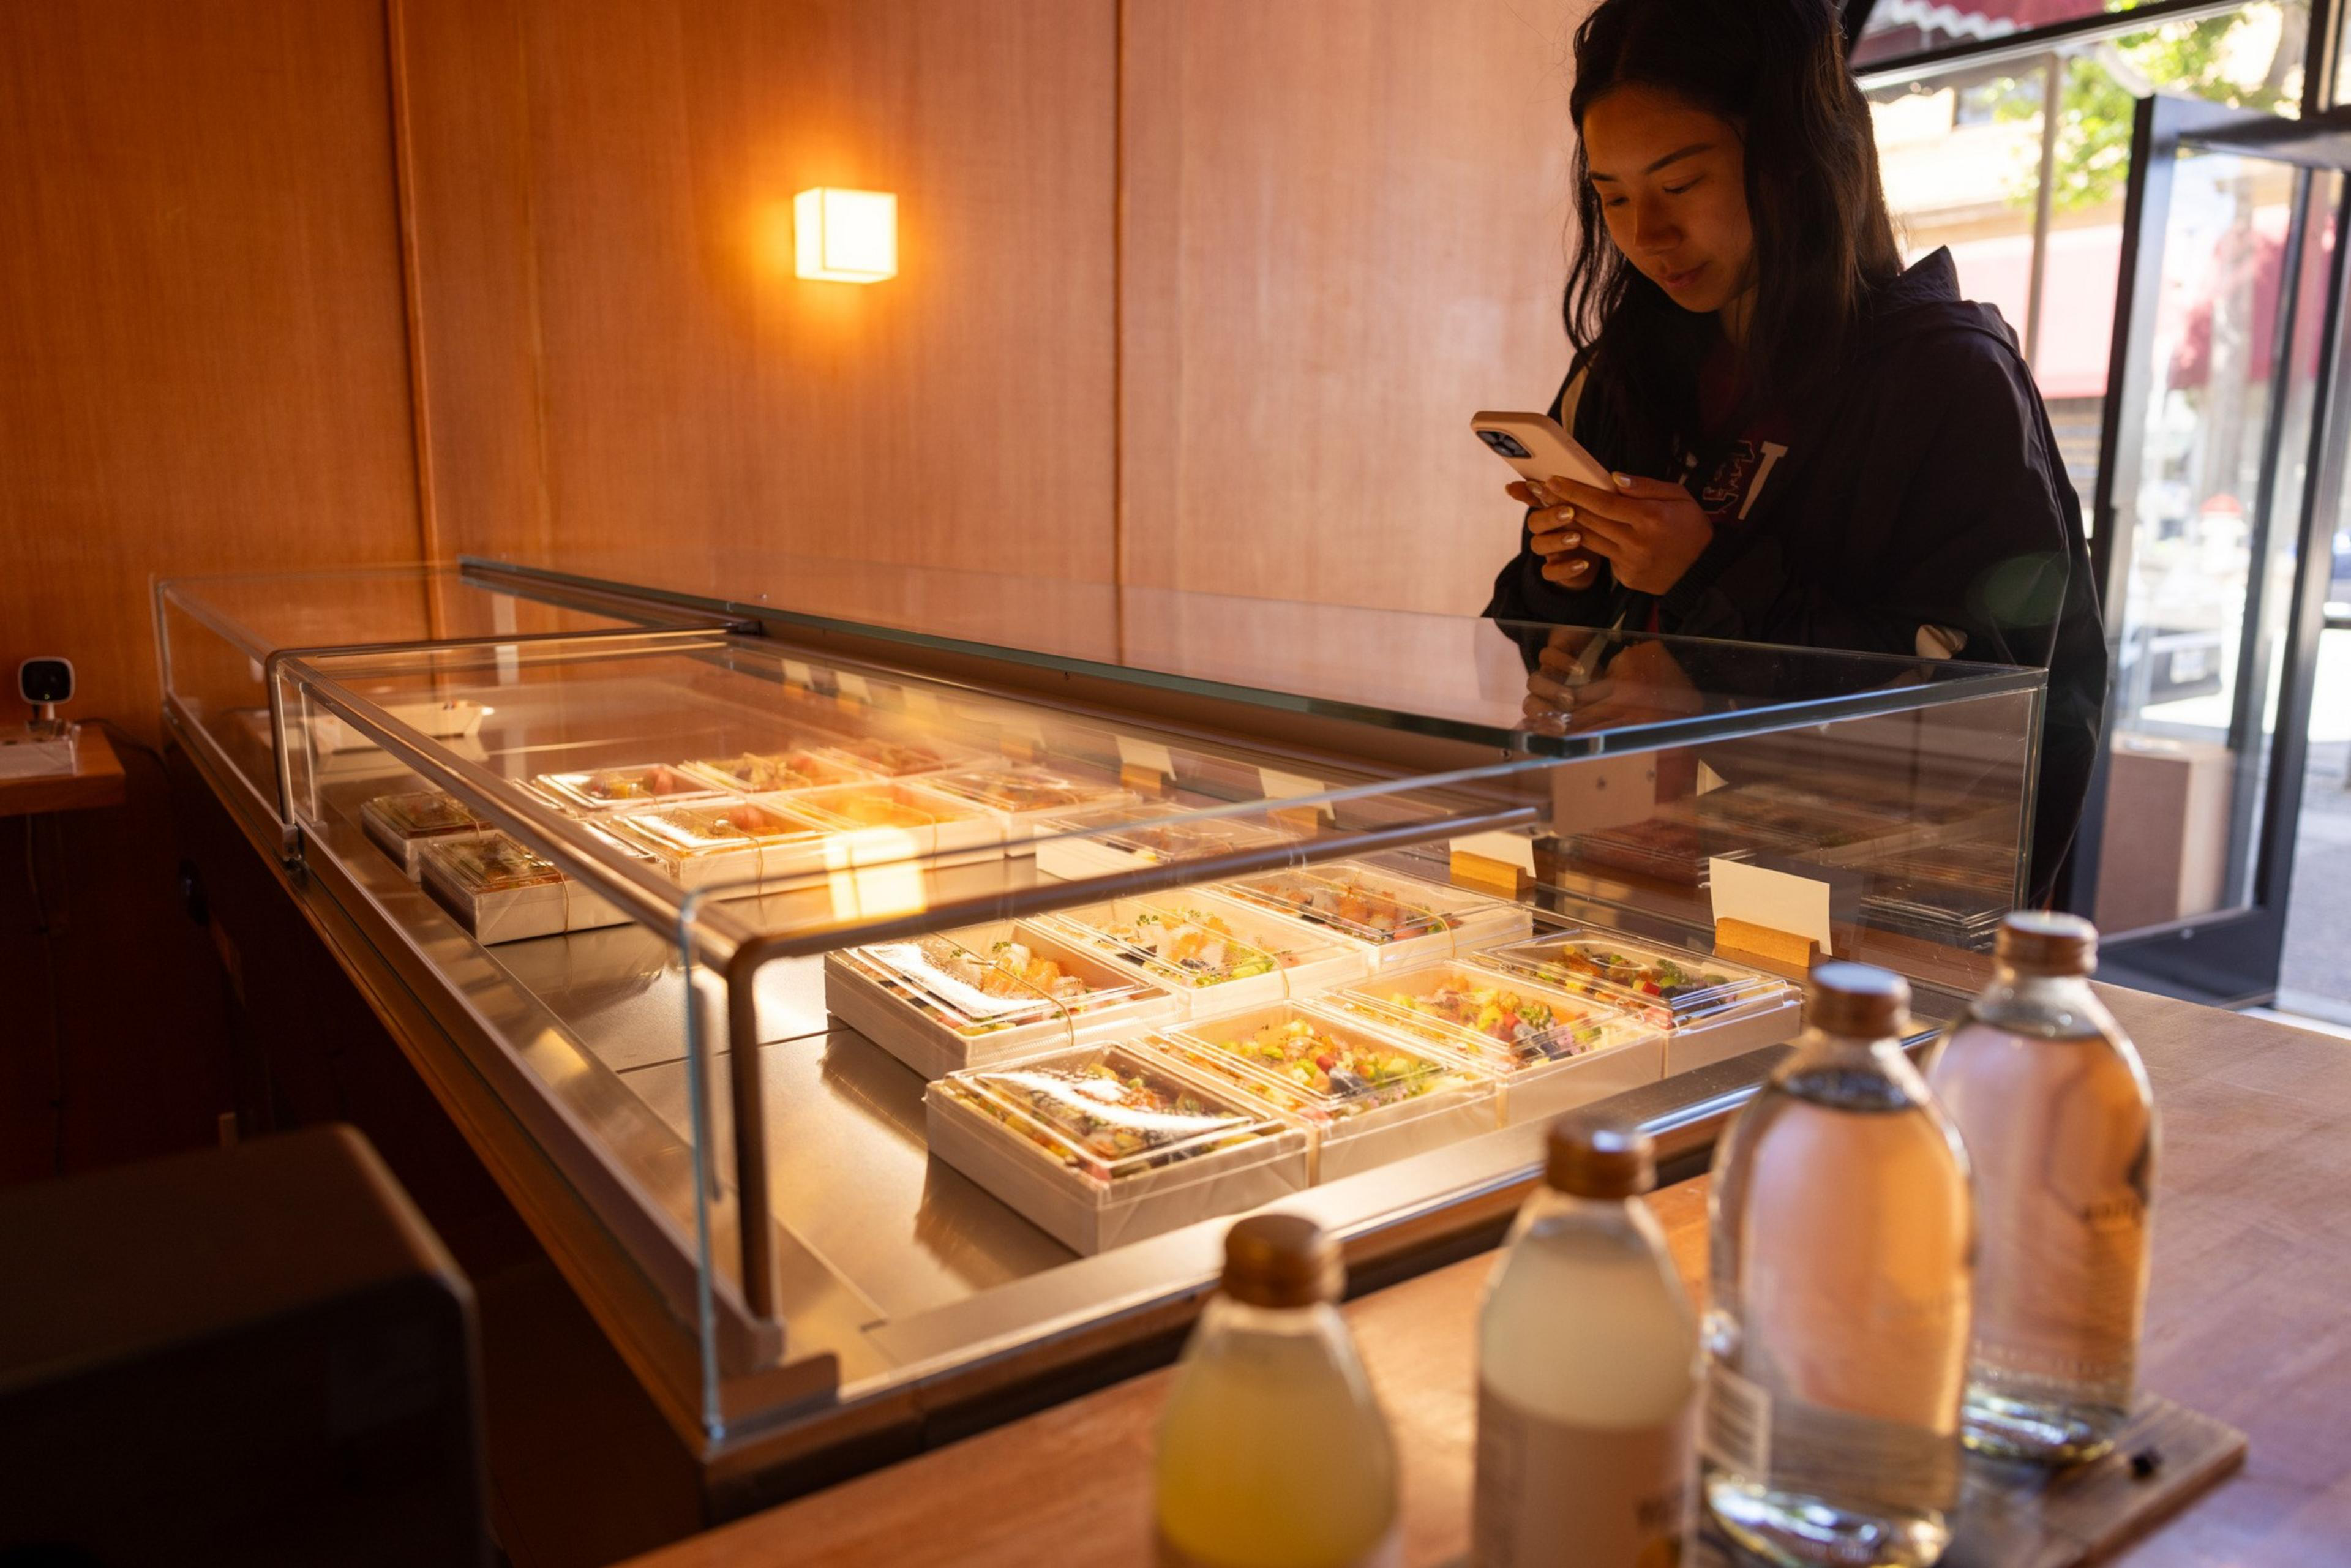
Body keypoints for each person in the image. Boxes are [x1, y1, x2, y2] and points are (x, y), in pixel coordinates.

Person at [1485, 0, 2106, 903]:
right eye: (1611, 197)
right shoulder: (1625, 371)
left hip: (1856, 927)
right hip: (1624, 879)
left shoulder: (1945, 382)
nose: (1644, 235)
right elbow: (1560, 636)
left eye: (1680, 184)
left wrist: (1705, 625)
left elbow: (1984, 717)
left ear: (1792, 165)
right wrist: (1566, 593)